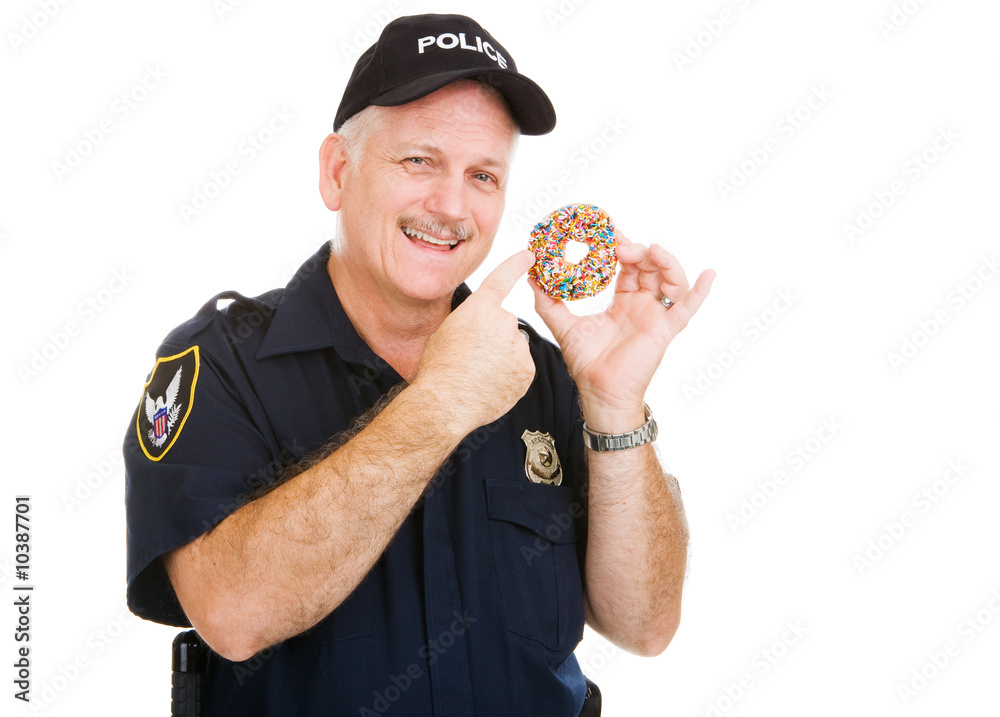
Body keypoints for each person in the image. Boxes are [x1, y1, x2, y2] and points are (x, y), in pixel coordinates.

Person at [123, 13, 714, 716]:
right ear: (338, 171)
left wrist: (615, 407)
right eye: (419, 161)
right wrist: (440, 403)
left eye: (484, 175)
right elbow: (233, 615)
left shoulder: (545, 373)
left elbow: (645, 625)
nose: (451, 206)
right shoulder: (222, 363)